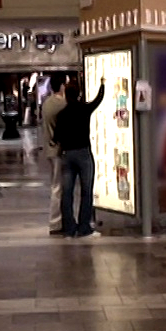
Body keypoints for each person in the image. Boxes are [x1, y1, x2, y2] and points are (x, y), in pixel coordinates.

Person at [53, 78, 105, 239]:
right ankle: (84, 227)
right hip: (83, 153)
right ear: (79, 94)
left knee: (67, 192)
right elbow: (98, 100)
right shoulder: (84, 109)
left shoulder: (60, 115)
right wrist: (102, 84)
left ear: (66, 96)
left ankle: (69, 228)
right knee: (86, 191)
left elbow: (56, 138)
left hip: (67, 155)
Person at [41, 73, 67, 236]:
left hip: (49, 149)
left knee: (56, 184)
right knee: (58, 187)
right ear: (62, 86)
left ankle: (58, 220)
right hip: (58, 149)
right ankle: (56, 222)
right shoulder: (62, 104)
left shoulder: (46, 103)